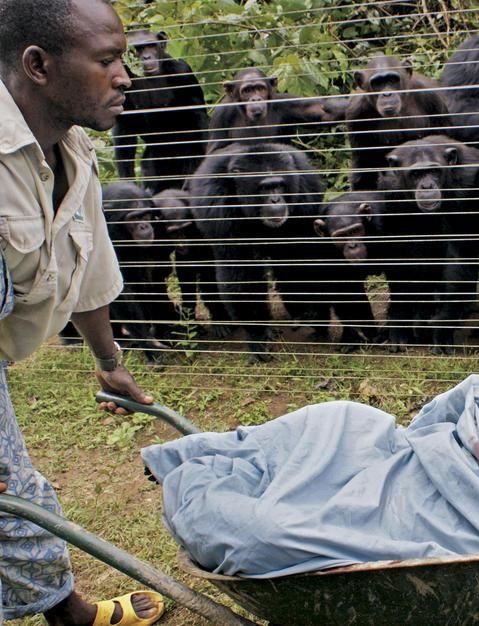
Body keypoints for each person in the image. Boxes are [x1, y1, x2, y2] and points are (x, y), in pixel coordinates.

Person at [0, 1, 165, 624]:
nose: (124, 75)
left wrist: (108, 361)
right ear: (37, 65)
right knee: (15, 495)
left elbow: (90, 268)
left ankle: (65, 613)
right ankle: (69, 616)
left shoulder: (71, 151)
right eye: (106, 60)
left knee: (12, 495)